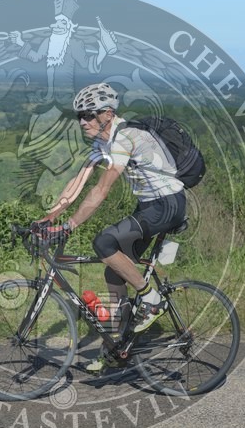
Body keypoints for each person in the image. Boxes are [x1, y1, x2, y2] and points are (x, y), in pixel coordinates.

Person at [36, 83, 187, 371]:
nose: (83, 122)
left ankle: (151, 300)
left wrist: (69, 226)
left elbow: (102, 189)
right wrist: (50, 217)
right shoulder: (102, 143)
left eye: (88, 115)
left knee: (104, 242)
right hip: (150, 206)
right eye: (79, 116)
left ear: (107, 114)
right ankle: (118, 346)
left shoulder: (125, 138)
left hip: (167, 204)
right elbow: (79, 182)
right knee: (113, 271)